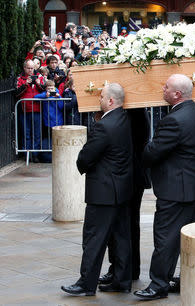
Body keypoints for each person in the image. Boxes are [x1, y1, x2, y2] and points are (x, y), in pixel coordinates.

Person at [134, 74, 195, 301]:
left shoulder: (174, 120)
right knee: (182, 238)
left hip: (175, 188)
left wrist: (144, 146)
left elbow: (152, 152)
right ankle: (181, 278)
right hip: (192, 185)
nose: (162, 89)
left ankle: (158, 284)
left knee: (165, 238)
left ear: (177, 94)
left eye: (166, 87)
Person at [61, 83, 134, 296]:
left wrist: (81, 165)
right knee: (121, 237)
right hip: (121, 189)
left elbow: (85, 157)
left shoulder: (104, 126)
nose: (98, 99)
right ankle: (122, 280)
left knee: (94, 239)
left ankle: (86, 283)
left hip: (103, 192)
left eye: (101, 97)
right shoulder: (124, 119)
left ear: (111, 101)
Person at [98, 108, 152, 285]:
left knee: (123, 226)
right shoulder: (134, 113)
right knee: (127, 225)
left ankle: (123, 270)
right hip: (132, 175)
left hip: (128, 175)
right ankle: (126, 268)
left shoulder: (130, 114)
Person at [15, 59, 45, 162]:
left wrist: (37, 83)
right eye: (28, 68)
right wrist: (26, 84)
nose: (31, 70)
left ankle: (35, 155)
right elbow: (17, 93)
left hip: (37, 109)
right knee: (26, 133)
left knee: (36, 134)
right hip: (24, 110)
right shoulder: (20, 78)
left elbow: (45, 90)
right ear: (24, 68)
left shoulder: (39, 77)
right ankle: (27, 155)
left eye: (32, 68)